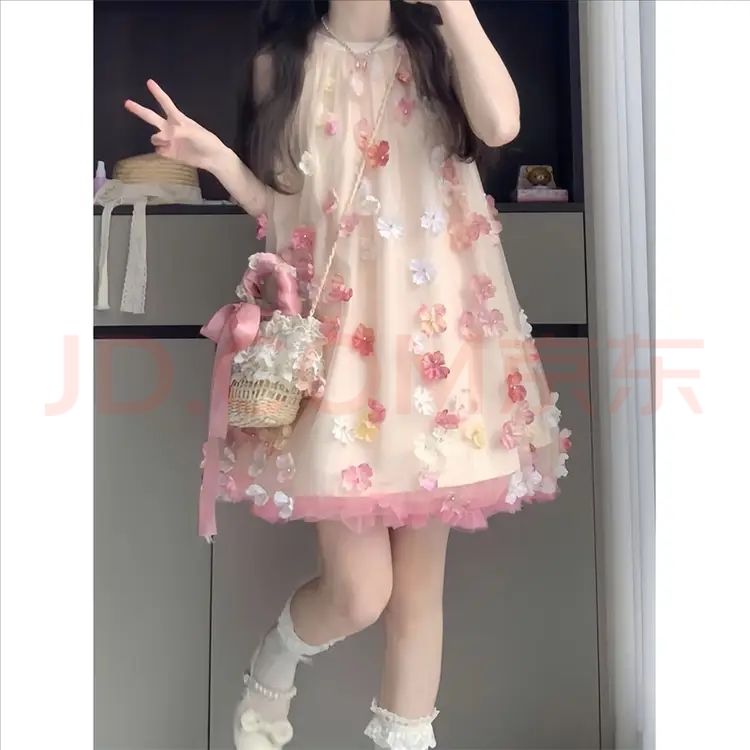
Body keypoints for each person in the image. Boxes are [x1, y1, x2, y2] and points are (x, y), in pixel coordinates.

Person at [125, 1, 571, 748]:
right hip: (340, 352)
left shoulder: (438, 47)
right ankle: (276, 664)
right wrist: (218, 160)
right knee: (361, 593)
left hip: (441, 346)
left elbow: (500, 124)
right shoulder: (283, 63)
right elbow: (287, 213)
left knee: (417, 599)